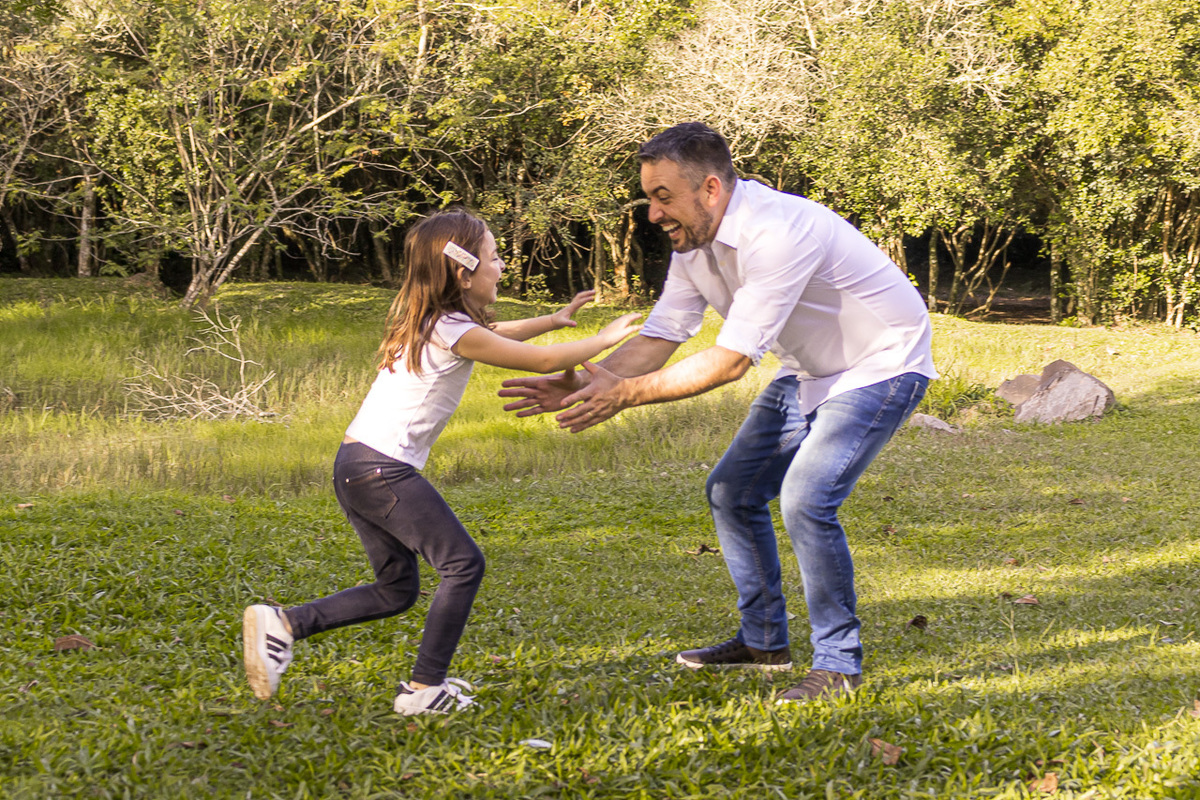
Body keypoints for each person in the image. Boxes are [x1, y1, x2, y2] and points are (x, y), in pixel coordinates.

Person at [499, 122, 937, 701]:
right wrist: (589, 381)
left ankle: (838, 664)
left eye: (663, 197)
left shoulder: (777, 231)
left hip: (884, 362)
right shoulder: (694, 245)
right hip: (810, 369)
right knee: (732, 491)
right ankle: (763, 642)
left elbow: (731, 361)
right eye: (648, 197)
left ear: (709, 189)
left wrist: (625, 395)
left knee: (807, 499)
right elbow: (662, 336)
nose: (653, 214)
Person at [242, 209, 641, 715]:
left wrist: (556, 320)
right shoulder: (451, 328)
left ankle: (285, 623)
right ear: (463, 272)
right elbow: (539, 360)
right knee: (462, 564)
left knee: (396, 590)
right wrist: (605, 339)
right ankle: (424, 690)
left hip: (357, 465)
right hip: (382, 470)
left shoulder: (437, 321)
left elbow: (498, 332)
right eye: (495, 258)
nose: (502, 267)